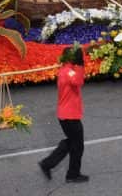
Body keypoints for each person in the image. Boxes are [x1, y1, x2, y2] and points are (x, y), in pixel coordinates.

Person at [38, 46, 90, 184]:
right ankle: (72, 174)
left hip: (66, 114)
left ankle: (48, 164)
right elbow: (79, 81)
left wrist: (78, 64)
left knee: (72, 142)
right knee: (77, 145)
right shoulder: (68, 72)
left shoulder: (66, 69)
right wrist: (79, 65)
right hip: (70, 116)